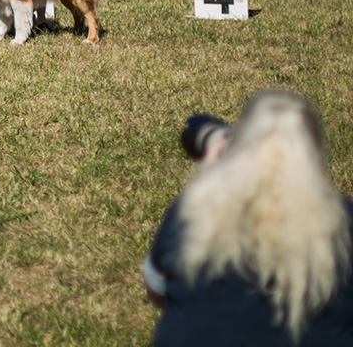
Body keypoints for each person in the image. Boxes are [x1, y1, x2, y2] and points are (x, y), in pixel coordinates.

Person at [143, 90, 353, 347]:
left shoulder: (192, 212)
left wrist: (210, 180)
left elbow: (157, 290)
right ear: (316, 157)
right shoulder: (344, 222)